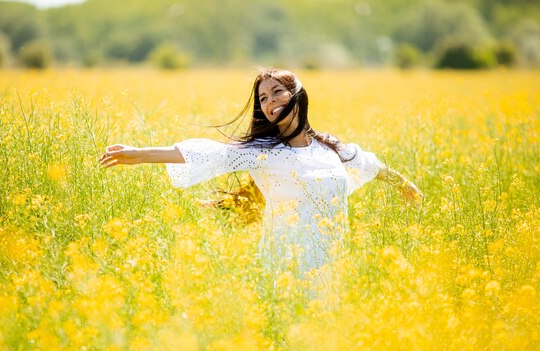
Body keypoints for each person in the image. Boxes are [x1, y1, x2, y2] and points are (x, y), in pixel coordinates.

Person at [99, 68, 423, 276]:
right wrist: (138, 154)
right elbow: (212, 152)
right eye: (263, 98)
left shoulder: (330, 147)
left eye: (278, 92)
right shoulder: (263, 152)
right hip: (284, 266)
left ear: (298, 93)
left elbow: (368, 163)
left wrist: (404, 184)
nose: (270, 102)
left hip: (330, 267)